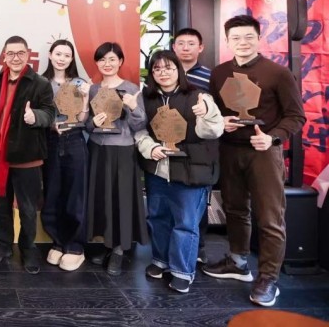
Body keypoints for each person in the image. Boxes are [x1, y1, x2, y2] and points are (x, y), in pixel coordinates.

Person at [202, 15, 306, 307]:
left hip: (264, 152)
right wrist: (221, 122)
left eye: (248, 36)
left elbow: (296, 116)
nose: (242, 43)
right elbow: (214, 111)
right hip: (229, 149)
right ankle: (237, 262)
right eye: (236, 38)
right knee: (234, 209)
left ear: (259, 38)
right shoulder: (219, 73)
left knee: (270, 217)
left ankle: (269, 278)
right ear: (227, 41)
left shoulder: (278, 73)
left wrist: (272, 138)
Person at [135, 50, 223, 293]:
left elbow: (213, 131)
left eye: (169, 67)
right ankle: (161, 260)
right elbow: (139, 130)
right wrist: (150, 148)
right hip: (158, 169)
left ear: (179, 70)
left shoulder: (199, 96)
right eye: (157, 69)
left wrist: (207, 113)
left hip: (191, 171)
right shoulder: (146, 98)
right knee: (158, 217)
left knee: (185, 222)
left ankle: (183, 270)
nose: (163, 73)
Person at [0, 36, 55, 274]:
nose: (15, 58)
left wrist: (35, 117)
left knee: (28, 209)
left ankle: (28, 248)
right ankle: (4, 245)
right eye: (10, 53)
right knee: (1, 205)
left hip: (27, 156)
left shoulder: (40, 83)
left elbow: (50, 113)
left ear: (28, 54)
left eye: (20, 53)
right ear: (4, 56)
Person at [85, 42, 148, 276]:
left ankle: (119, 250)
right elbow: (87, 124)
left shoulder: (131, 88)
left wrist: (133, 107)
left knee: (121, 199)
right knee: (102, 198)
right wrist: (93, 123)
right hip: (97, 149)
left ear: (120, 61)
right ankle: (107, 244)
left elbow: (140, 124)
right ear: (97, 63)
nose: (107, 64)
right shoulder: (93, 89)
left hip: (122, 150)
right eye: (102, 59)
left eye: (112, 59)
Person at [40, 39, 91, 271]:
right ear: (50, 55)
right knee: (52, 193)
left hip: (75, 141)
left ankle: (75, 246)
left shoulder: (80, 83)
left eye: (67, 55)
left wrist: (86, 99)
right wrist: (51, 126)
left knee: (75, 194)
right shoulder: (40, 83)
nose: (62, 59)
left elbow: (82, 119)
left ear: (72, 59)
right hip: (50, 142)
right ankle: (58, 242)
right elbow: (38, 115)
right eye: (58, 54)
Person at [172, 27, 213, 264]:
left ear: (201, 47)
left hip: (198, 145)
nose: (185, 48)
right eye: (181, 43)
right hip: (168, 144)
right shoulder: (165, 73)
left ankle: (198, 247)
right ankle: (171, 247)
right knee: (171, 197)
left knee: (196, 199)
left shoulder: (210, 77)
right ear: (174, 47)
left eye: (191, 43)